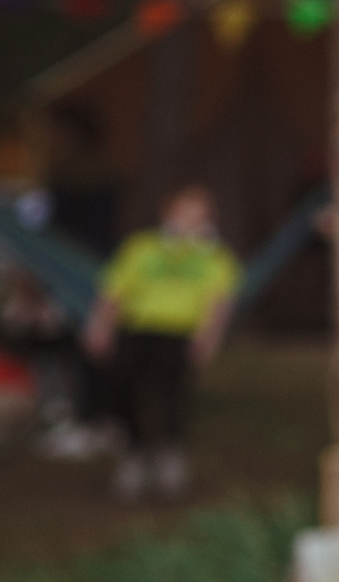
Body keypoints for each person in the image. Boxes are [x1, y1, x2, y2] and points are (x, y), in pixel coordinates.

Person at [83, 184, 238, 501]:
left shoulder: (216, 257)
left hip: (179, 332)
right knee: (122, 388)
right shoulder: (141, 248)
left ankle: (171, 456)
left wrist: (209, 338)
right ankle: (135, 453)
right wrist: (100, 326)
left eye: (198, 216)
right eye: (184, 213)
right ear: (168, 214)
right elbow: (114, 292)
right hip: (137, 328)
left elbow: (219, 303)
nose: (189, 222)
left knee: (174, 394)